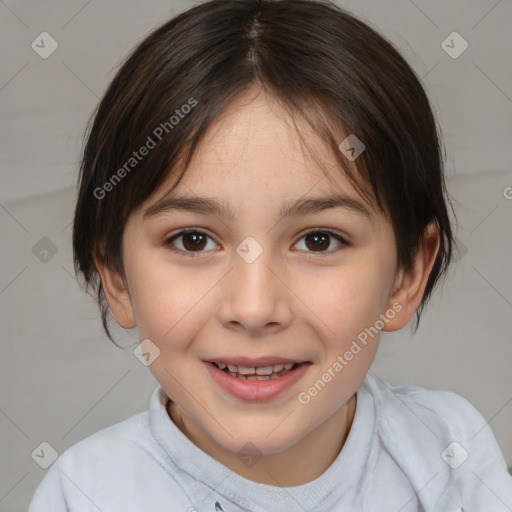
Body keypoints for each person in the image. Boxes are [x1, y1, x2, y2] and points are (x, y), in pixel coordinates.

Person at [28, 0, 512, 510]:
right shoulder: (85, 493)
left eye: (319, 240)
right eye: (193, 240)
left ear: (406, 275)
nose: (254, 309)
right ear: (117, 276)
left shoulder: (448, 452)